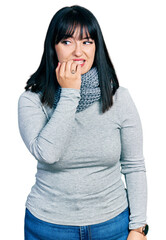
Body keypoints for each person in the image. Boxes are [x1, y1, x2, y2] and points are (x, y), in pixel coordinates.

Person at [18, 5, 148, 240]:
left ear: (96, 47)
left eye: (87, 41)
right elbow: (48, 153)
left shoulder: (119, 98)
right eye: (67, 42)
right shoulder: (31, 100)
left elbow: (134, 165)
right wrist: (70, 92)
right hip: (48, 228)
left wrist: (138, 228)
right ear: (53, 48)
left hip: (112, 226)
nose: (78, 52)